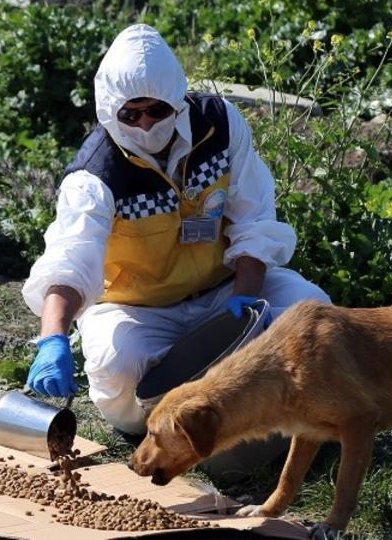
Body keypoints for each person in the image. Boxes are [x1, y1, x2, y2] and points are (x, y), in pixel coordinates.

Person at [21, 23, 330, 439]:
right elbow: (70, 257)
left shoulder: (219, 126)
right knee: (118, 367)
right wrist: (52, 340)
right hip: (138, 309)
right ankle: (154, 429)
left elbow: (254, 217)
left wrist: (246, 301)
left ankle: (299, 420)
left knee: (313, 310)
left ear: (178, 101)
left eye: (157, 110)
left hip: (225, 290)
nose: (146, 124)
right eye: (131, 114)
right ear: (110, 111)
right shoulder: (96, 174)